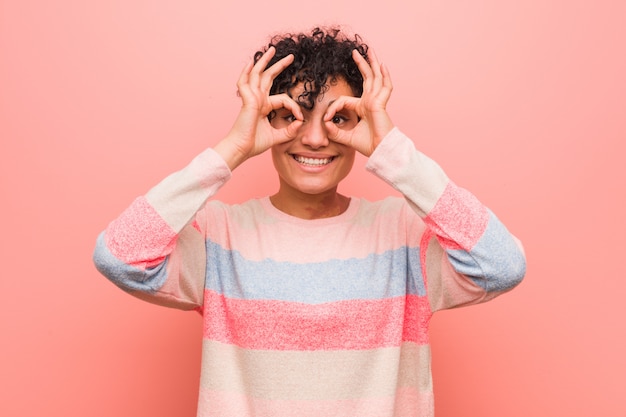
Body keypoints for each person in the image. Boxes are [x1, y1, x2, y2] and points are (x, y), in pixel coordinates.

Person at [93, 26, 526, 417]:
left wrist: (392, 151)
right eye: (293, 116)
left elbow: (502, 265)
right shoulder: (219, 236)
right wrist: (233, 148)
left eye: (339, 119)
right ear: (267, 120)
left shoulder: (405, 235)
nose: (316, 138)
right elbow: (120, 256)